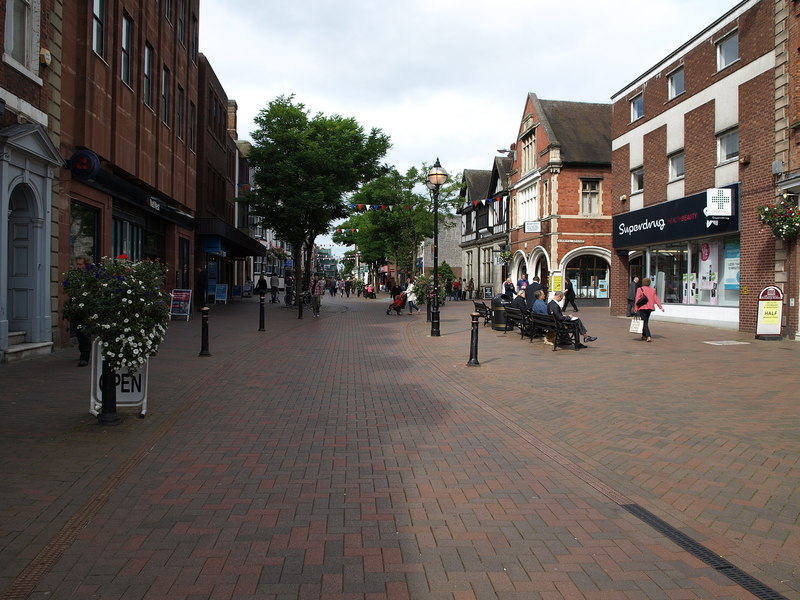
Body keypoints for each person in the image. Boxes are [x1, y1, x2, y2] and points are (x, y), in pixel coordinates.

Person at [73, 255, 94, 367]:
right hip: (76, 307)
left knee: (85, 332)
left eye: (80, 264)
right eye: (77, 264)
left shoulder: (91, 276)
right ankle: (83, 352)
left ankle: (85, 357)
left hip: (87, 308)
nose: (78, 266)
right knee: (78, 331)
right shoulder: (75, 275)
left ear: (86, 264)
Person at [634, 277, 664, 342]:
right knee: (646, 321)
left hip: (642, 307)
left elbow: (637, 299)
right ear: (649, 283)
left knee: (644, 322)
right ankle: (644, 335)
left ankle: (648, 336)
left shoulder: (640, 289)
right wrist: (660, 307)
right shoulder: (653, 290)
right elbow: (656, 299)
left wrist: (636, 308)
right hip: (650, 308)